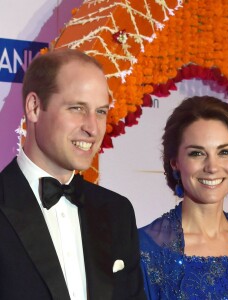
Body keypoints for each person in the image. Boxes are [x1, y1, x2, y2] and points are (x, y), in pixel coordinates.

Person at [0, 49, 146, 300]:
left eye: (100, 111)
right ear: (34, 107)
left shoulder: (117, 212)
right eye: (77, 108)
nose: (92, 127)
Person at [138, 96, 228, 299]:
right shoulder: (145, 250)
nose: (212, 167)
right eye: (197, 153)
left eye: (224, 152)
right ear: (175, 162)